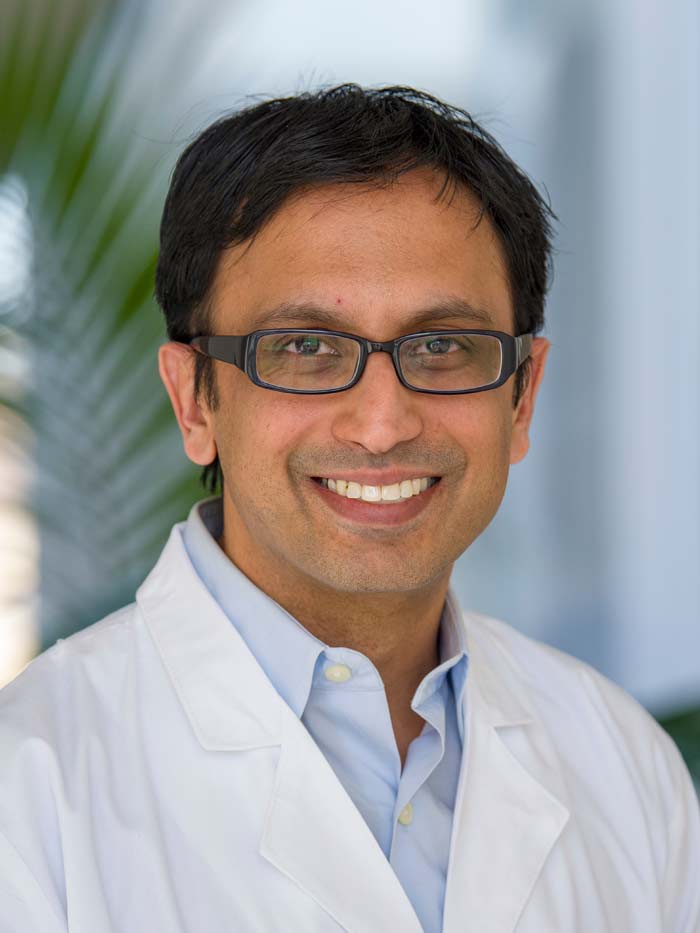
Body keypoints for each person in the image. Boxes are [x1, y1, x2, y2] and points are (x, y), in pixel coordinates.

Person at [0, 84, 698, 933]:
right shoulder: (28, 790)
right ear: (195, 403)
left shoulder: (625, 765)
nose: (382, 424)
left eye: (442, 345)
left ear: (522, 398)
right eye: (304, 348)